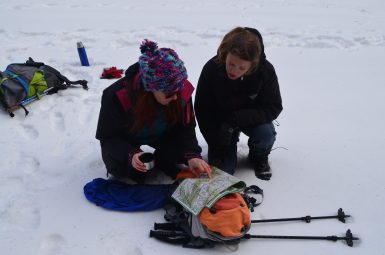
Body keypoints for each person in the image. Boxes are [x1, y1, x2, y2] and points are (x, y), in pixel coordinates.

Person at [96, 39, 211, 184]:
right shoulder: (116, 96)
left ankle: (163, 157)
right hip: (128, 137)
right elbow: (108, 137)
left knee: (175, 157)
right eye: (169, 93)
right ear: (151, 89)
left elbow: (186, 126)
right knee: (122, 170)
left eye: (178, 90)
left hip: (162, 133)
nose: (175, 96)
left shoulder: (180, 90)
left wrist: (193, 155)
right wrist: (131, 154)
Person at [194, 27, 283, 180]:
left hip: (250, 118)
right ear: (225, 54)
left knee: (266, 134)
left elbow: (274, 107)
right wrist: (215, 140)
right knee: (223, 174)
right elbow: (202, 109)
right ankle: (225, 149)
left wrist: (237, 119)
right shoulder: (212, 68)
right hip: (220, 124)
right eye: (231, 64)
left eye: (242, 67)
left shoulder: (265, 71)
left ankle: (258, 156)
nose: (234, 70)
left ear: (252, 65)